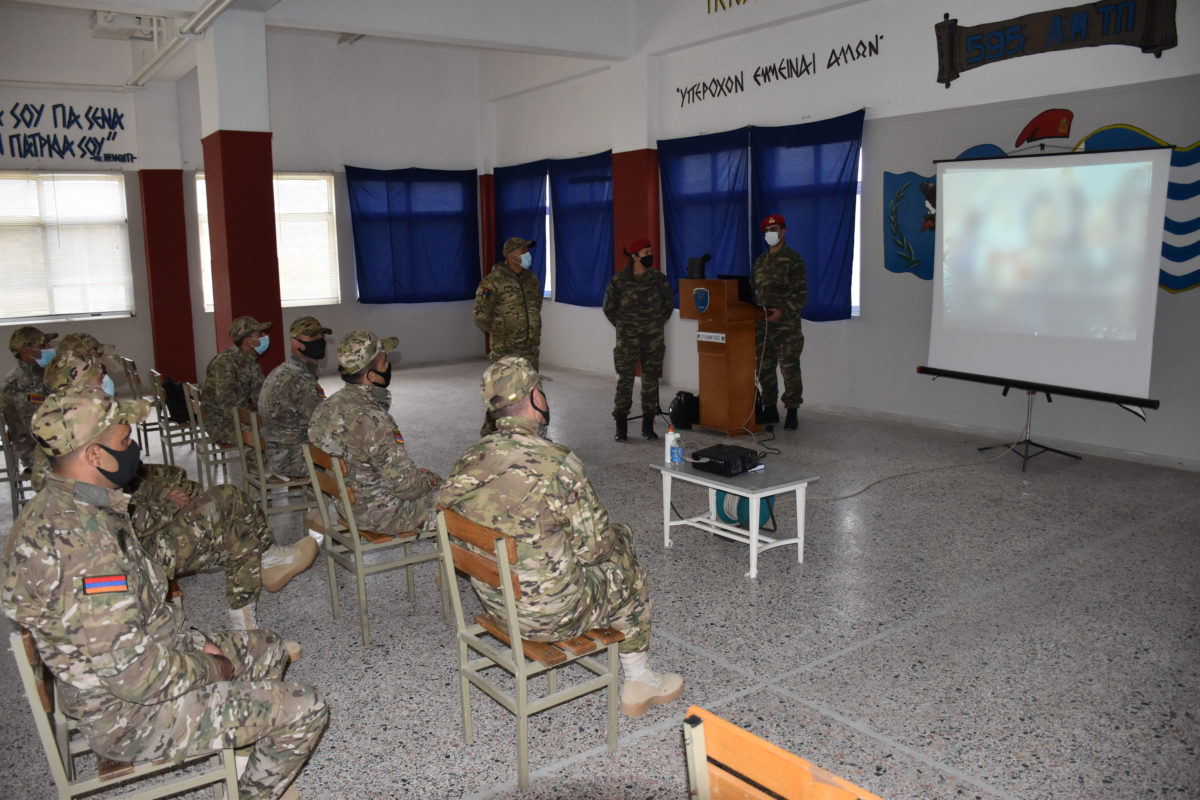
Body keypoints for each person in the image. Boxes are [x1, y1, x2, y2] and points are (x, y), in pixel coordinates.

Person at [2, 387, 328, 800]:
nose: (133, 449)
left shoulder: (72, 505)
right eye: (124, 440)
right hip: (129, 716)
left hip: (143, 661)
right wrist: (211, 668)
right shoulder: (84, 547)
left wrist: (195, 641)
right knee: (306, 707)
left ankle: (244, 760)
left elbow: (140, 612)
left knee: (268, 647)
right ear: (95, 455)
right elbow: (134, 676)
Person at [438, 356, 684, 718]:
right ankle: (640, 679)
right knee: (624, 560)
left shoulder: (469, 459)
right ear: (535, 397)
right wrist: (621, 537)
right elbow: (597, 549)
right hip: (554, 617)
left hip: (498, 606)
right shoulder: (557, 463)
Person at [34, 347, 320, 631]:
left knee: (227, 516)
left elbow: (121, 498)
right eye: (99, 377)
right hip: (136, 555)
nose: (105, 380)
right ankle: (259, 585)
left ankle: (253, 603)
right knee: (231, 505)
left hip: (133, 540)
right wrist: (169, 504)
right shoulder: (70, 471)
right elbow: (122, 522)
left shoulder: (64, 443)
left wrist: (162, 493)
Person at [308, 330, 440, 533]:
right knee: (455, 497)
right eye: (384, 362)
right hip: (383, 515)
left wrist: (412, 476)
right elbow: (404, 486)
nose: (388, 366)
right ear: (371, 376)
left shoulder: (325, 407)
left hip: (346, 507)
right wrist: (427, 481)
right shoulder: (374, 420)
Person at [602, 236, 675, 442]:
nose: (650, 256)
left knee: (651, 382)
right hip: (628, 340)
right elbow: (608, 307)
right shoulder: (619, 281)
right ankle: (621, 427)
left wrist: (656, 323)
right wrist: (624, 326)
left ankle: (648, 427)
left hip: (653, 339)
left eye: (650, 252)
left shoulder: (659, 279)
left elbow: (668, 304)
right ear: (634, 256)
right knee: (625, 381)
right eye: (646, 253)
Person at [473, 237, 543, 435]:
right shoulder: (493, 281)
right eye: (523, 250)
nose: (527, 254)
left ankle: (528, 435)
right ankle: (489, 434)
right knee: (503, 396)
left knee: (531, 393)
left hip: (530, 347)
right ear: (511, 255)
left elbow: (536, 306)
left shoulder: (532, 279)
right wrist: (502, 332)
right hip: (506, 349)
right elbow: (481, 316)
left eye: (527, 250)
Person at [750, 214, 808, 431]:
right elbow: (753, 291)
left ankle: (792, 410)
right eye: (767, 230)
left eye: (773, 230)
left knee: (789, 369)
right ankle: (770, 408)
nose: (770, 234)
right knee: (764, 368)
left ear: (783, 232)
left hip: (786, 326)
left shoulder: (793, 259)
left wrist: (782, 312)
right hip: (762, 325)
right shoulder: (760, 262)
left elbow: (800, 295)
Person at [259, 316, 332, 478]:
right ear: (294, 342)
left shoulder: (281, 370)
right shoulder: (301, 379)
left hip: (275, 453)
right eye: (312, 336)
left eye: (321, 336)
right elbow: (323, 423)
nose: (319, 341)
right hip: (293, 460)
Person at [203, 315, 271, 445]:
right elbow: (228, 406)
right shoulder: (224, 363)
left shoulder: (251, 362)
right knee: (268, 438)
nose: (264, 336)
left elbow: (261, 397)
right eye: (259, 334)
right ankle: (254, 458)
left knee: (282, 430)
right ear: (248, 341)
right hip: (221, 424)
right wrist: (256, 420)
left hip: (241, 416)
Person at [1, 325, 57, 471]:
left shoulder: (42, 375)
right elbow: (36, 429)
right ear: (26, 352)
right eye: (43, 345)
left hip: (52, 443)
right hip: (38, 452)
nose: (50, 347)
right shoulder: (19, 385)